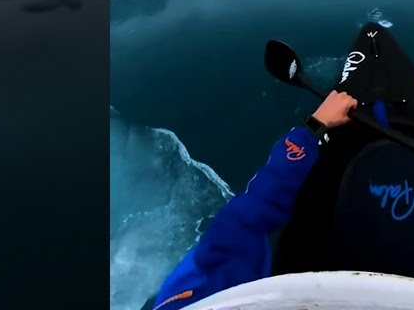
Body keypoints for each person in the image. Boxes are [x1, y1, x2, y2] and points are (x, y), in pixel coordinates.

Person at [149, 90, 359, 310]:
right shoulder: (194, 291)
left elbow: (249, 213)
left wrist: (314, 126)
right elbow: (253, 207)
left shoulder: (193, 290)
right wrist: (315, 124)